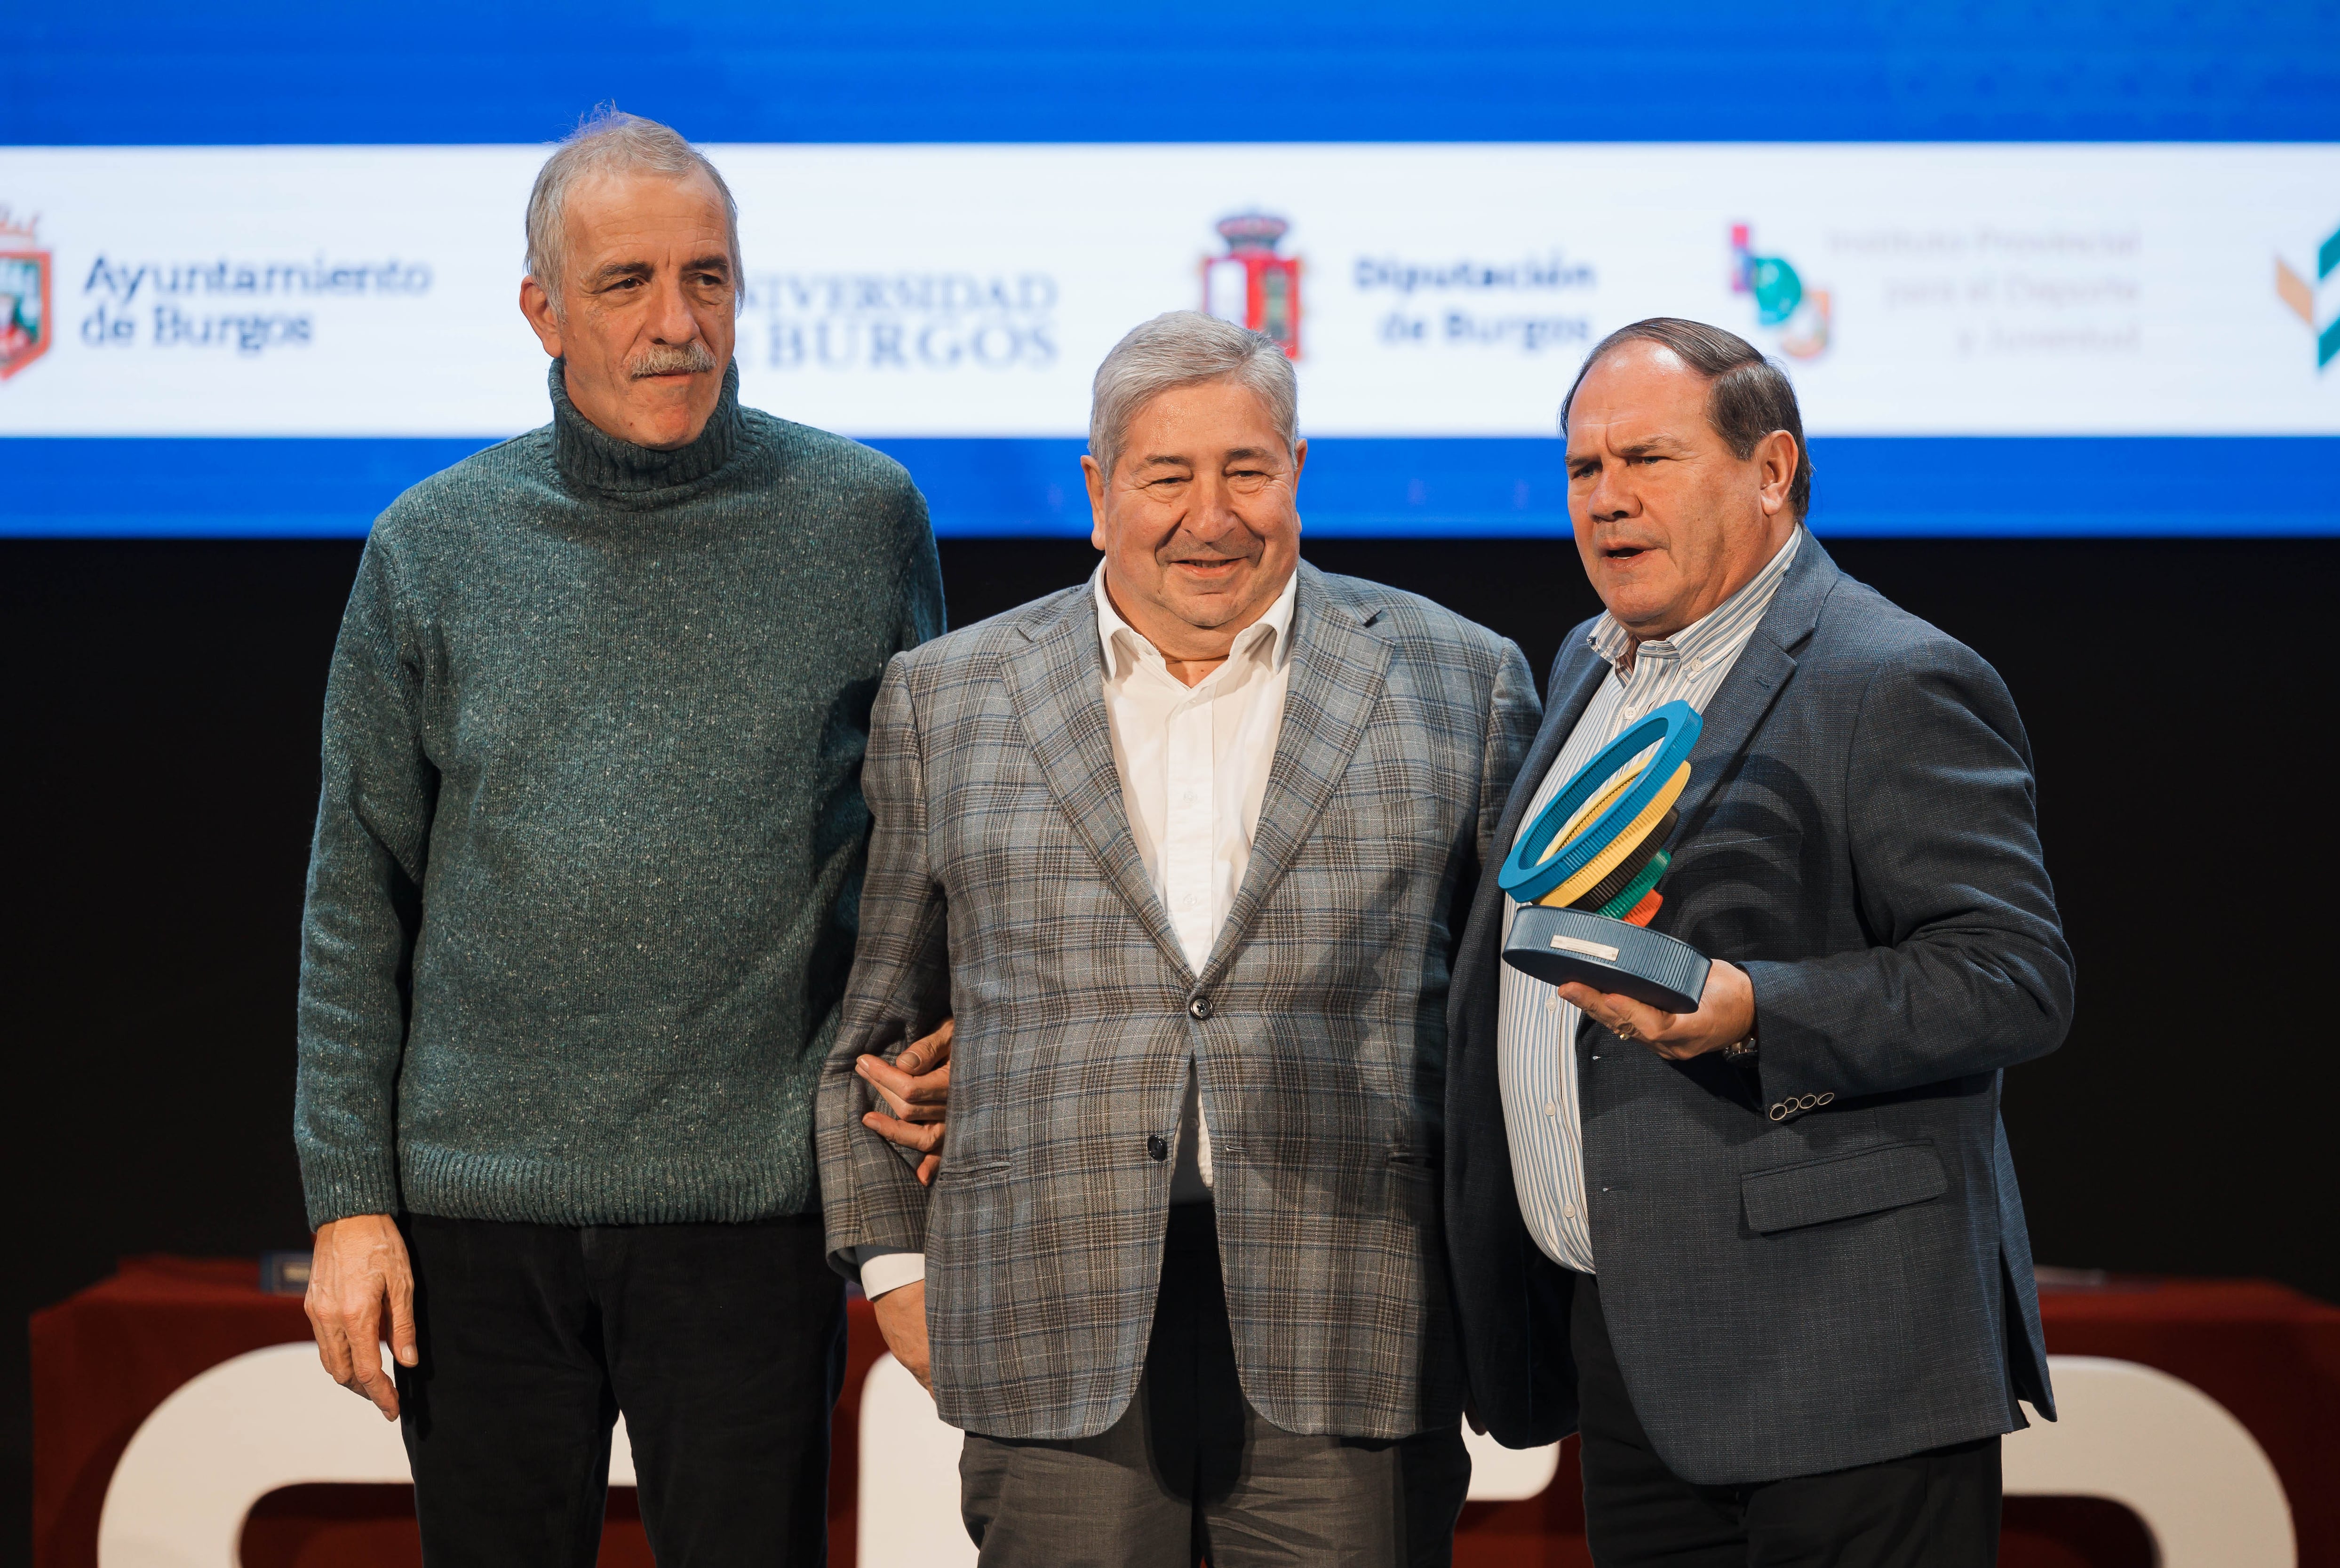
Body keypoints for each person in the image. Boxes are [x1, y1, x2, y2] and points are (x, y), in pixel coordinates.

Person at [292, 108, 946, 1565]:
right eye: (626, 283)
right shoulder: (431, 546)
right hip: (475, 1228)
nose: (676, 323)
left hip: (754, 1216)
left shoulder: (863, 517)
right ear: (541, 308)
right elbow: (357, 899)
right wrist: (348, 1203)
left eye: (706, 278)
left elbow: (925, 852)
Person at [818, 310, 1539, 1566]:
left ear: (1297, 476)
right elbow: (874, 1029)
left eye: (1247, 471)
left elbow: (1517, 1023)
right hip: (1045, 1328)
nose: (1211, 516)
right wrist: (895, 1274)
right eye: (1167, 476)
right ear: (1101, 495)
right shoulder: (949, 698)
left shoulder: (1459, 682)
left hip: (1358, 1330)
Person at [1444, 318, 2075, 1567]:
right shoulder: (1590, 660)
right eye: (1584, 470)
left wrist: (1755, 1009)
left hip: (1842, 1357)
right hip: (1638, 1354)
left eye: (1650, 460)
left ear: (1772, 469)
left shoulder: (1889, 677)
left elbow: (2015, 977)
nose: (1607, 500)